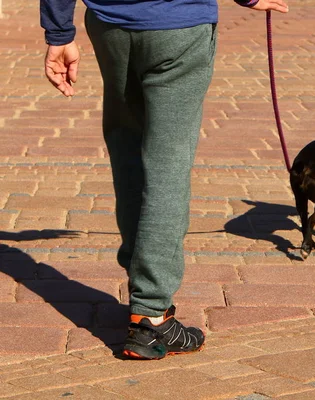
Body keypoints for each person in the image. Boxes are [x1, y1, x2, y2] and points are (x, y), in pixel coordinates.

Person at [40, 0, 289, 360]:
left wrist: (59, 30)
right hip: (179, 26)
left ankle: (142, 285)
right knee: (167, 165)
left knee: (128, 154)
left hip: (111, 24)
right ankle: (151, 315)